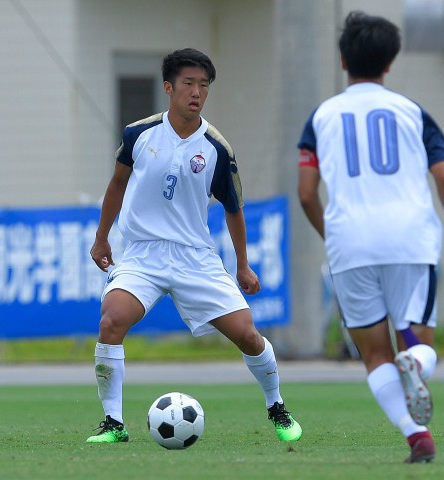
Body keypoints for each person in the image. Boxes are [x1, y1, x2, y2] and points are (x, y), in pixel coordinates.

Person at [87, 48, 301, 444]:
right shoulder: (138, 134)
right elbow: (117, 185)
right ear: (168, 87)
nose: (196, 92)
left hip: (194, 258)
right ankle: (114, 424)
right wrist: (102, 236)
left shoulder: (218, 149)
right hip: (142, 254)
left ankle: (276, 406)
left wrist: (243, 265)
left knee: (248, 335)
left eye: (204, 85)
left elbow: (234, 209)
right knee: (111, 321)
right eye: (188, 83)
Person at [297, 12, 444, 464]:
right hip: (410, 239)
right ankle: (415, 364)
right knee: (418, 343)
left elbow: (306, 193)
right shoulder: (413, 112)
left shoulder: (321, 117)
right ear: (390, 62)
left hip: (350, 244)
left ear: (342, 60)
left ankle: (417, 436)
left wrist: (333, 234)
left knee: (374, 356)